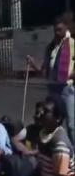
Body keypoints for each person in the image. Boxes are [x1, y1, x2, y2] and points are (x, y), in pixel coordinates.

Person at [27, 13, 75, 144]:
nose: (57, 33)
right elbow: (43, 70)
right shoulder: (51, 47)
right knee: (53, 122)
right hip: (53, 89)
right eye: (55, 30)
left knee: (71, 124)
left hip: (66, 89)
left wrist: (71, 74)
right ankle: (56, 148)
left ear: (66, 28)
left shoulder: (71, 44)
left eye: (60, 30)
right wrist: (32, 63)